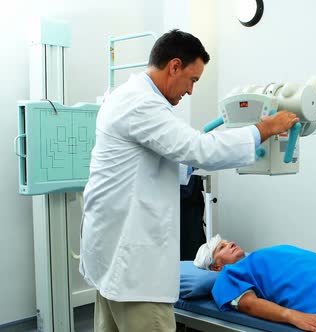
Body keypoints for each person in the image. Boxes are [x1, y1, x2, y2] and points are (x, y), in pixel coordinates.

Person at [79, 29, 300, 332]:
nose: (191, 91)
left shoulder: (126, 98)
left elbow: (171, 159)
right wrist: (265, 129)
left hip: (112, 260)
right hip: (135, 275)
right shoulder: (141, 104)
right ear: (174, 67)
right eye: (193, 80)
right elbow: (199, 150)